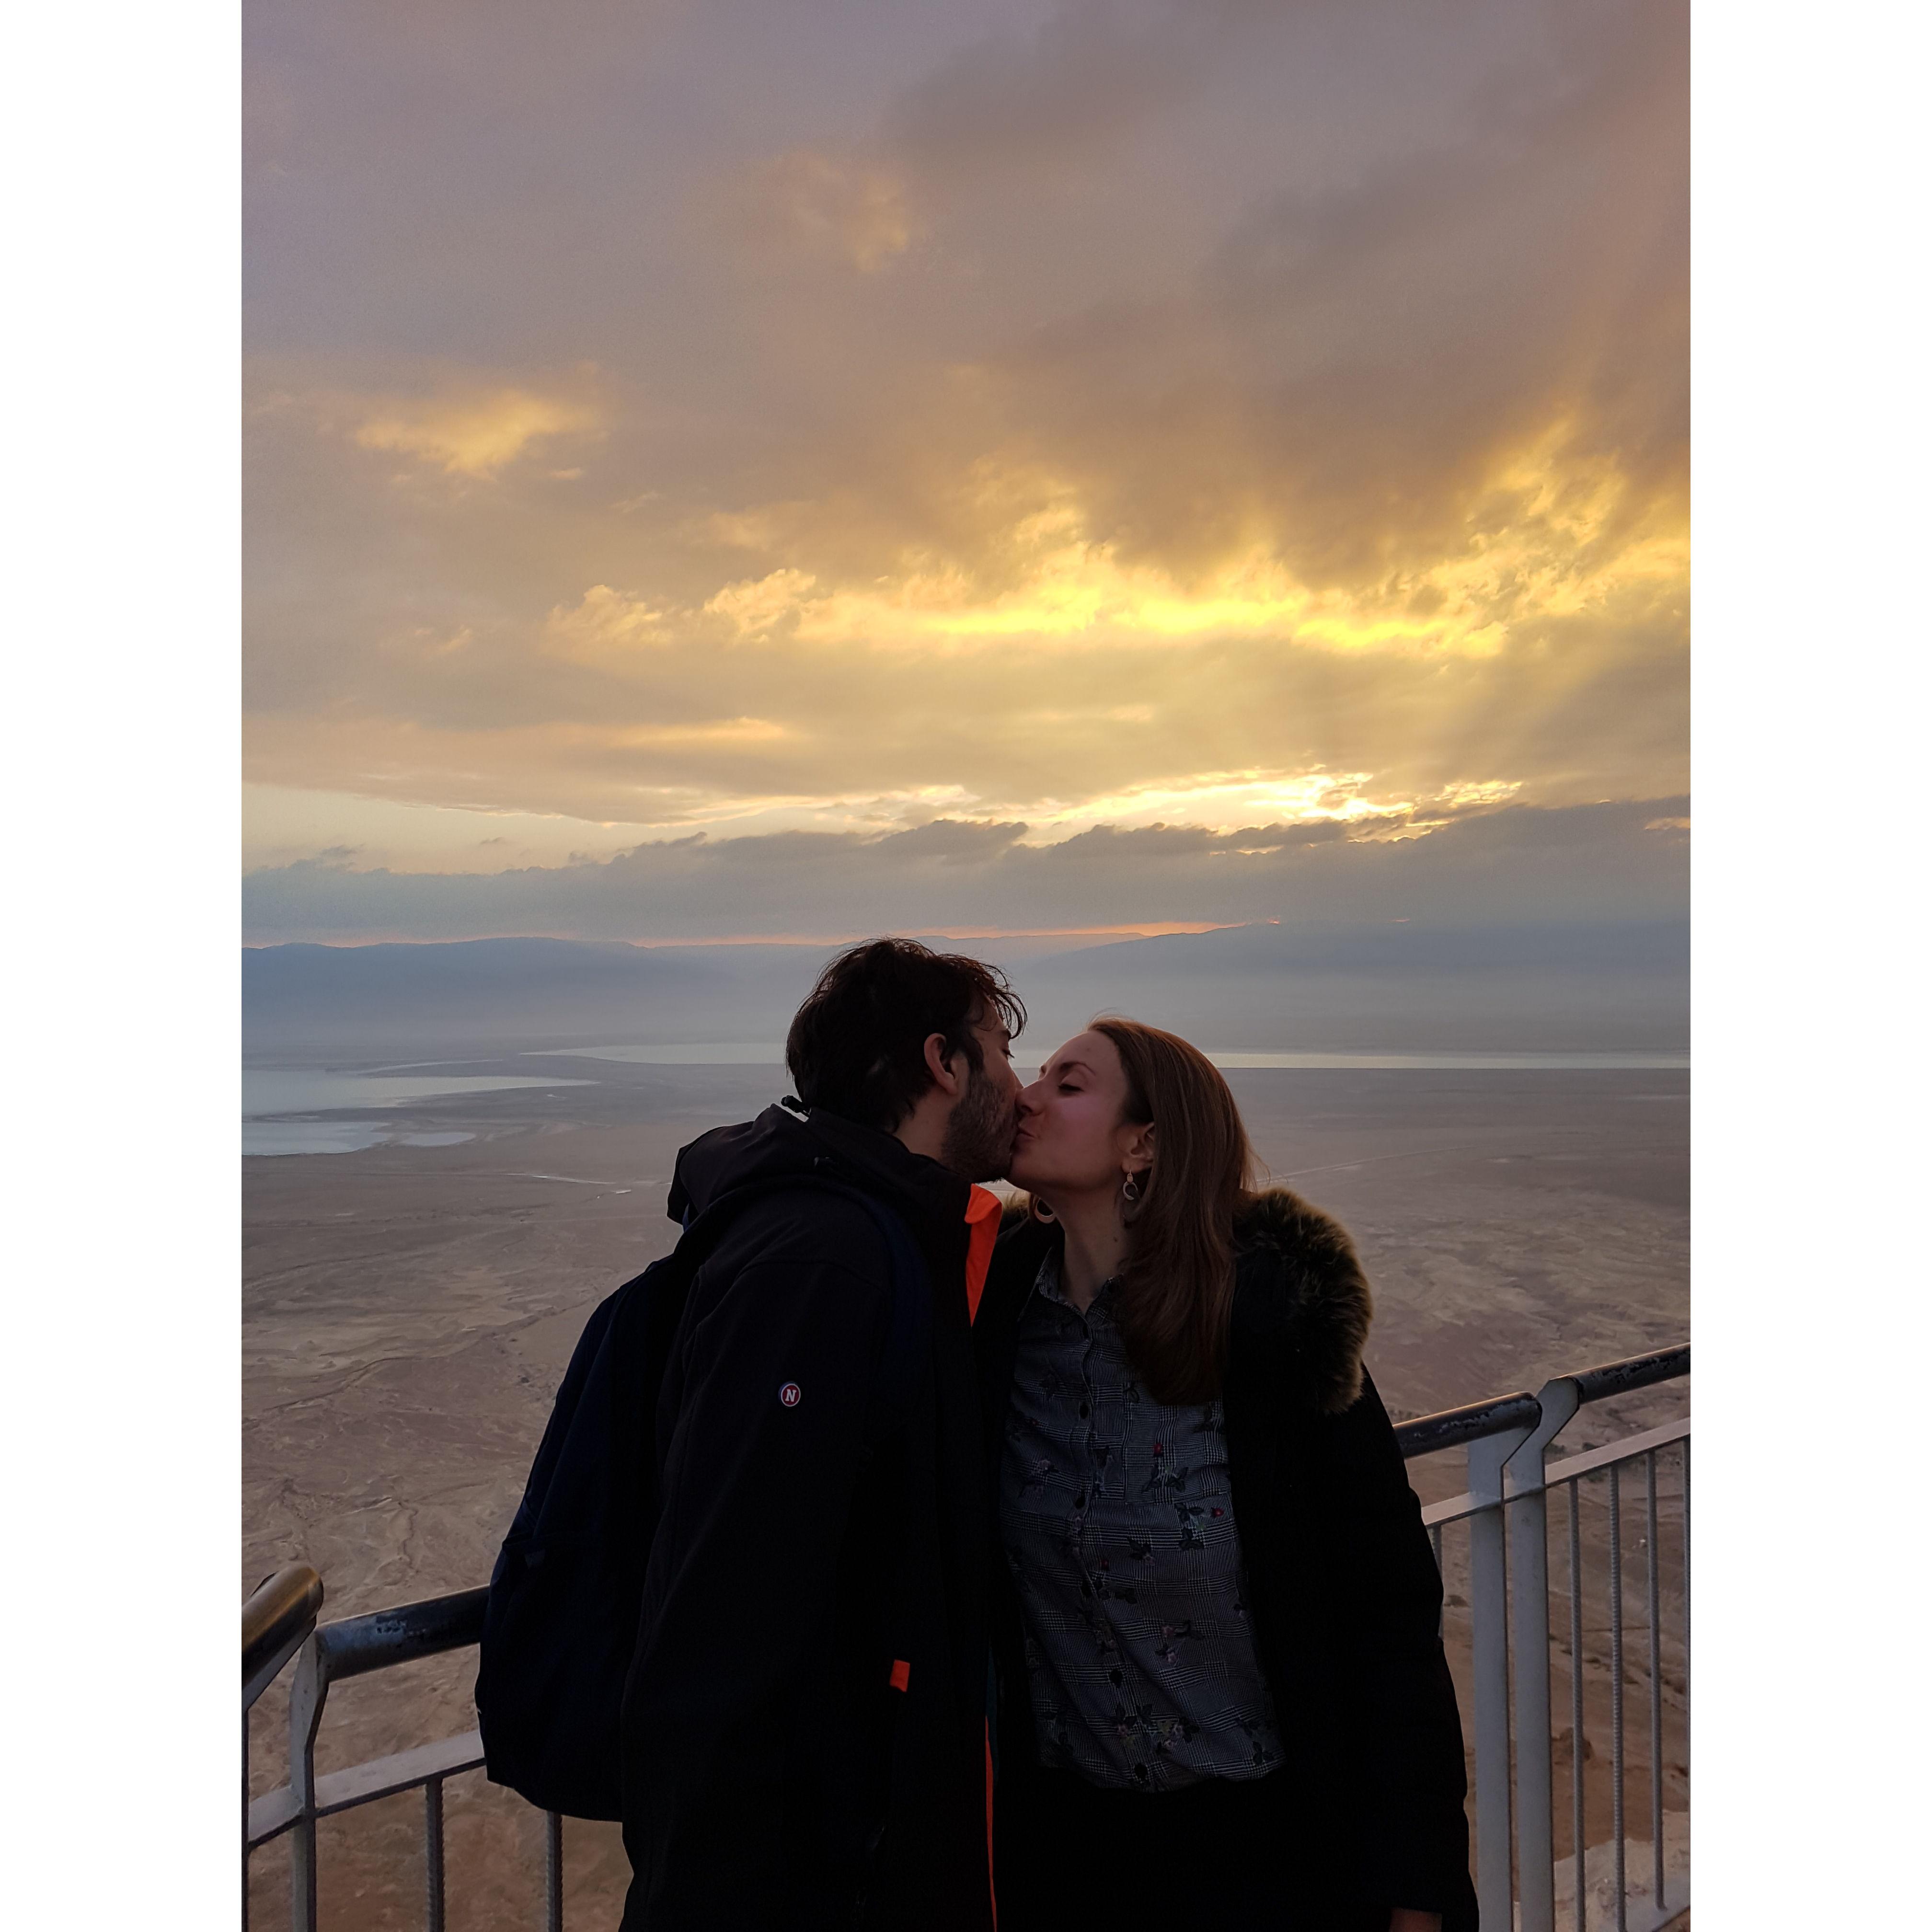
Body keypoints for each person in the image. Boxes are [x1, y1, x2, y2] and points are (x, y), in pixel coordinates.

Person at [975, 1018, 1480, 1932]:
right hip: (1069, 1862)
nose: (1028, 1096)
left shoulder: (1274, 1331)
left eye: (1070, 1084)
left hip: (1266, 1860)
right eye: (1038, 1074)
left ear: (1147, 1143)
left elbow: (1387, 1616)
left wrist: (1416, 1887)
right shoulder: (998, 1317)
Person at [620, 939, 1023, 1931]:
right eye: (1004, 1051)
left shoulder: (892, 1234)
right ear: (944, 1062)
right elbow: (722, 1607)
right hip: (808, 1876)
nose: (1019, 1084)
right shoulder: (825, 1261)